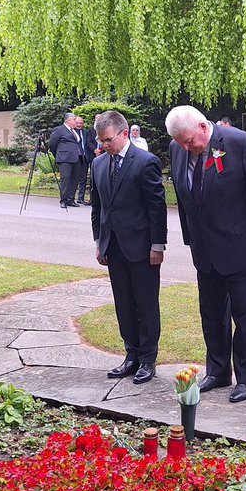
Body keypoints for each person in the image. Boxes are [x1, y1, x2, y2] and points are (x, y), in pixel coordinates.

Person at [166, 106, 246, 402]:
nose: (185, 148)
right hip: (205, 249)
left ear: (204, 128)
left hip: (242, 244)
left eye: (189, 141)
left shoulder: (240, 143)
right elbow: (183, 196)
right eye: (180, 143)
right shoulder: (178, 148)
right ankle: (217, 371)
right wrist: (190, 236)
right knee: (212, 314)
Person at [90, 111, 167, 385]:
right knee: (123, 304)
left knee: (145, 304)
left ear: (124, 134)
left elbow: (156, 209)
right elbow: (97, 207)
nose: (104, 145)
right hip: (113, 247)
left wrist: (157, 245)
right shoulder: (98, 164)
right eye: (100, 141)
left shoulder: (146, 162)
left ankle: (148, 359)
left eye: (108, 140)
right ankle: (131, 355)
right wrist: (100, 243)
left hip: (143, 248)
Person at [48, 112, 84, 207]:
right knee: (66, 179)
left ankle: (70, 199)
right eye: (74, 119)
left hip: (77, 158)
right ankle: (63, 200)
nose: (76, 121)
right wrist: (59, 155)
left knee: (75, 179)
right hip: (65, 159)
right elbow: (52, 144)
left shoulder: (75, 130)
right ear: (68, 120)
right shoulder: (60, 130)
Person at [73, 116, 93, 205]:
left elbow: (88, 144)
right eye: (77, 123)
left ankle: (80, 198)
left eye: (81, 123)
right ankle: (70, 198)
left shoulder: (86, 132)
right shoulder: (72, 132)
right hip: (75, 158)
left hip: (84, 158)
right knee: (73, 178)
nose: (79, 125)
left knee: (83, 178)